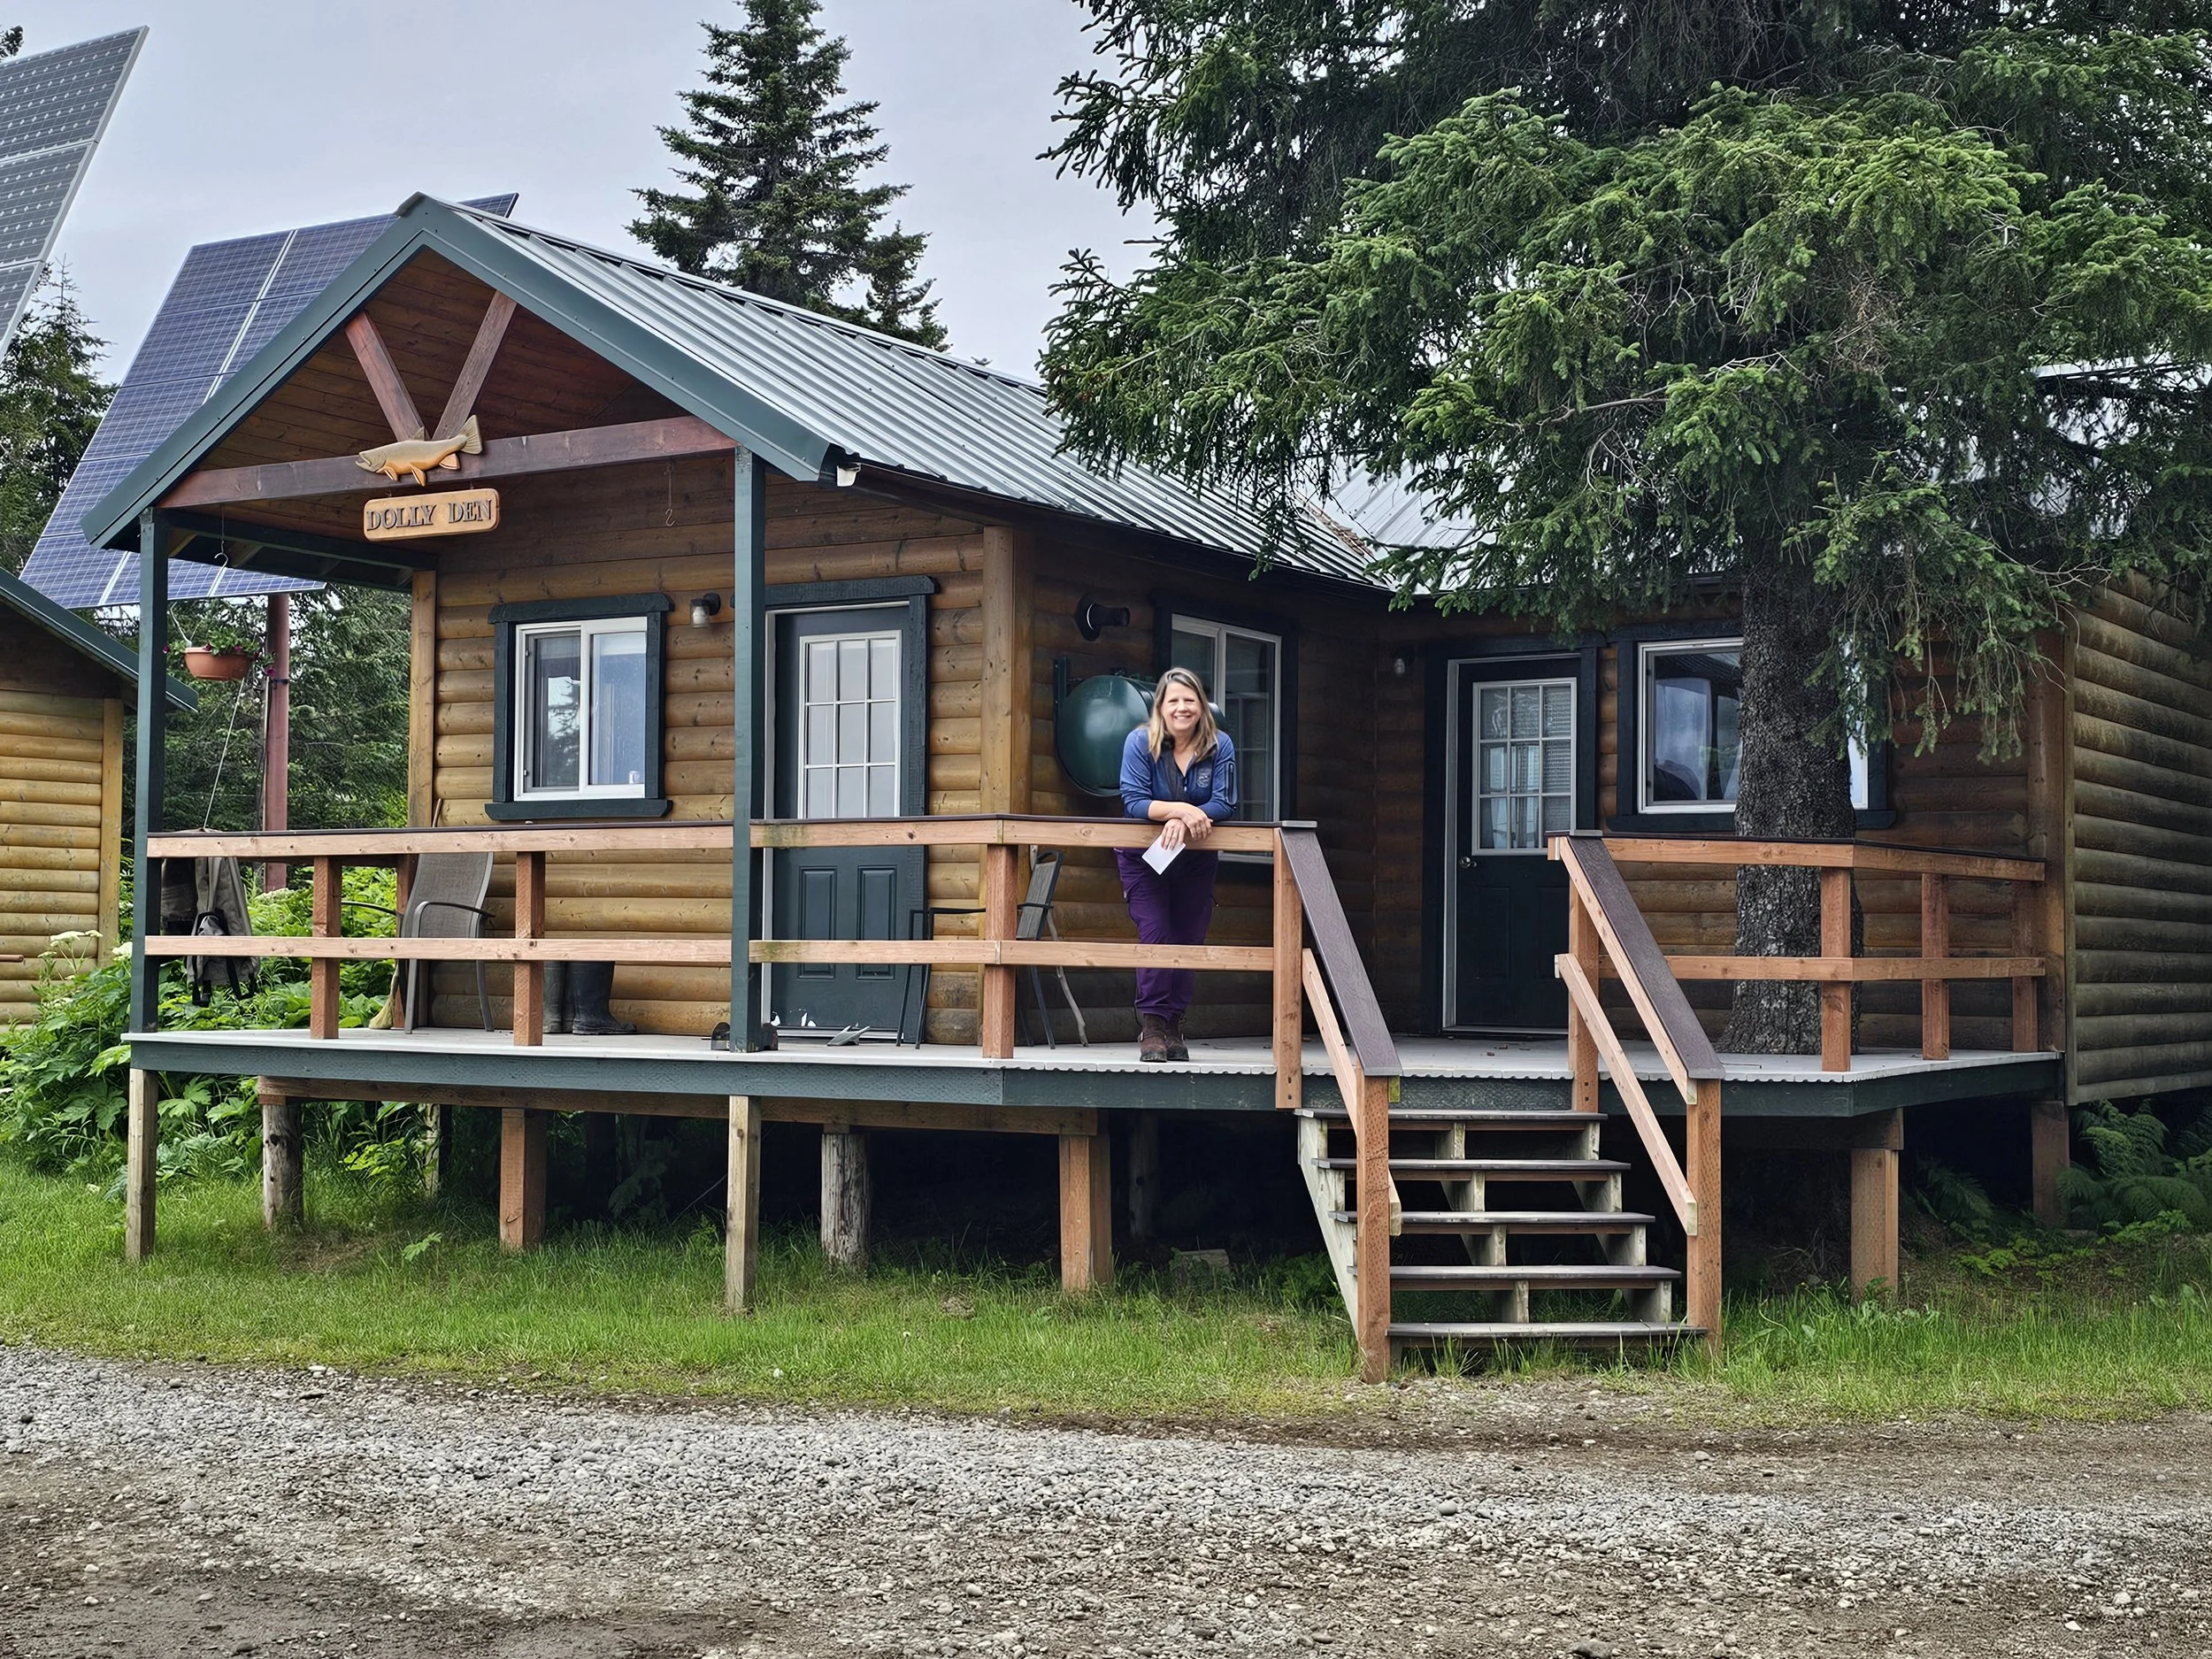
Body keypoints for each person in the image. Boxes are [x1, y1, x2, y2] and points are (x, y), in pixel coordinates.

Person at [1117, 667, 1238, 1063]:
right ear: (1161, 707)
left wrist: (1180, 819)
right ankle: (1151, 1025)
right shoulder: (1140, 742)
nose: (1182, 708)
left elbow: (1225, 803)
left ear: (1202, 707)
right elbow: (1134, 801)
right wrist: (1181, 810)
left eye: (1190, 700)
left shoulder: (1221, 746)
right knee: (1156, 931)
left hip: (1196, 860)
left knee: (1188, 937)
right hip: (1144, 858)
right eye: (1174, 701)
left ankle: (1173, 1024)